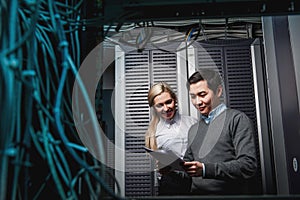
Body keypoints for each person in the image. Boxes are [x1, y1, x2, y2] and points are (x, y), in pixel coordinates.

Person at [182, 69, 257, 195]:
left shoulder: (237, 119)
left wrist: (206, 170)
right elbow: (187, 170)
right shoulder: (193, 130)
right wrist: (170, 169)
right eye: (193, 96)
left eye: (202, 94)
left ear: (218, 91)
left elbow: (248, 166)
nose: (197, 102)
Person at [145, 82, 197, 195]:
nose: (166, 108)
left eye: (169, 102)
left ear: (175, 100)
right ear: (154, 108)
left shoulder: (193, 123)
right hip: (171, 184)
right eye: (160, 105)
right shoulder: (154, 132)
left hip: (197, 180)